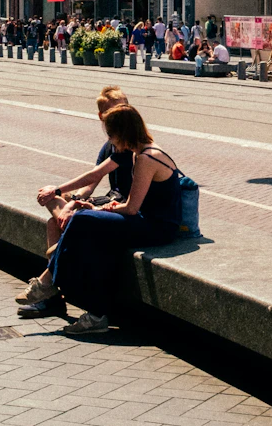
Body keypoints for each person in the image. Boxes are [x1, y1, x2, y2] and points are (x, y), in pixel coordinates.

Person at [19, 105, 184, 334]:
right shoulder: (141, 152)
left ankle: (48, 281)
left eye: (110, 135)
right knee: (92, 235)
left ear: (122, 132)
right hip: (148, 221)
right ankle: (95, 315)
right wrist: (102, 208)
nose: (110, 141)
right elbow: (131, 205)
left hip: (158, 227)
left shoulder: (147, 157)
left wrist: (101, 210)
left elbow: (132, 209)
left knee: (82, 220)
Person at [28, 86, 134, 282]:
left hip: (122, 206)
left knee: (56, 220)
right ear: (102, 116)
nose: (121, 115)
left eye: (125, 108)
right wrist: (73, 202)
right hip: (111, 199)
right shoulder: (110, 144)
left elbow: (95, 174)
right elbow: (91, 184)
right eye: (114, 112)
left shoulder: (129, 145)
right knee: (54, 204)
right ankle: (53, 283)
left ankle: (49, 284)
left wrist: (62, 195)